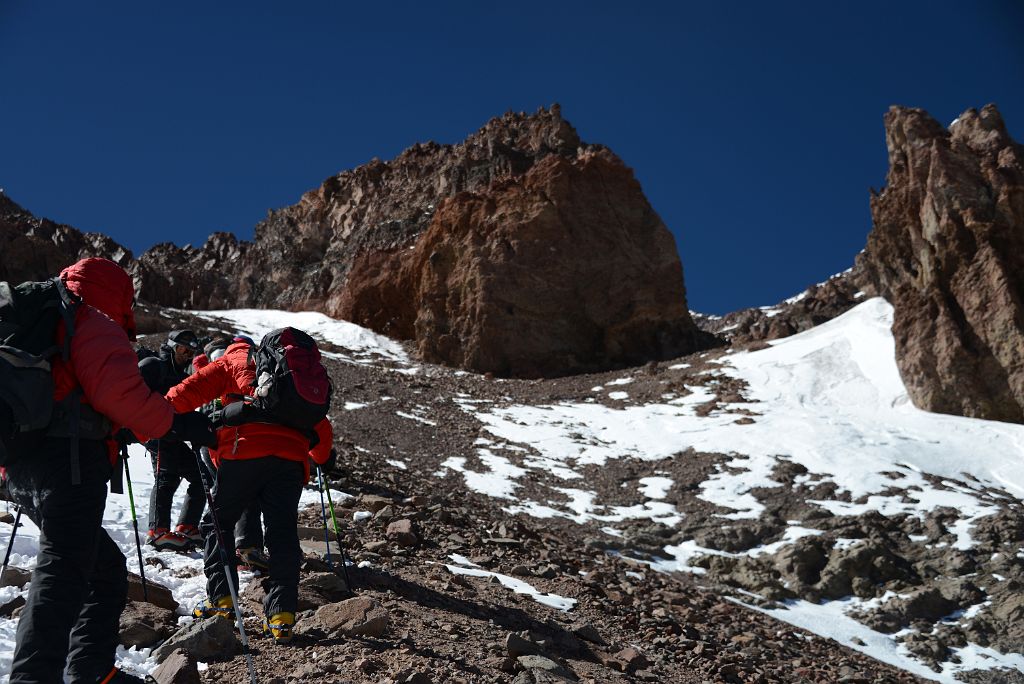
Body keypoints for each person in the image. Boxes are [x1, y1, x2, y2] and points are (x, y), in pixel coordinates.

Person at [2, 258, 216, 684]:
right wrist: (181, 422)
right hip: (70, 466)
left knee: (103, 569)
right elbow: (121, 396)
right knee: (61, 576)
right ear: (118, 294)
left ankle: (92, 670)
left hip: (19, 468)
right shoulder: (90, 320)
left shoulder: (43, 313)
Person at [165, 335, 332, 644]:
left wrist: (152, 419)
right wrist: (320, 457)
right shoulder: (286, 374)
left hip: (244, 450)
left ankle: (223, 602)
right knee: (282, 532)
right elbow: (321, 429)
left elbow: (183, 395)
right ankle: (282, 616)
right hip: (292, 460)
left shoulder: (232, 360)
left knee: (218, 522)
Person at [193, 335, 270, 571]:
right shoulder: (249, 367)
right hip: (233, 441)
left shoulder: (211, 368)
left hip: (211, 439)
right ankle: (243, 549)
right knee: (241, 495)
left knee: (224, 495)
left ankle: (232, 549)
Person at [139, 329, 206, 550]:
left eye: (190, 351)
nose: (186, 354)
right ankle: (157, 532)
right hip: (156, 433)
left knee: (202, 478)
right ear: (171, 346)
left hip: (175, 436)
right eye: (182, 349)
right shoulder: (153, 366)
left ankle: (187, 526)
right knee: (166, 478)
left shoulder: (183, 376)